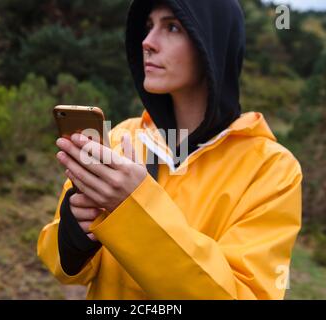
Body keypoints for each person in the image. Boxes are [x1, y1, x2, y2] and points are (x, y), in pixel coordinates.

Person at [37, 0, 303, 300]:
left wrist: (134, 206)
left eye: (172, 27)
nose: (147, 43)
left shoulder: (272, 170)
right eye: (149, 27)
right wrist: (75, 231)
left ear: (211, 46)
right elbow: (63, 268)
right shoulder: (122, 137)